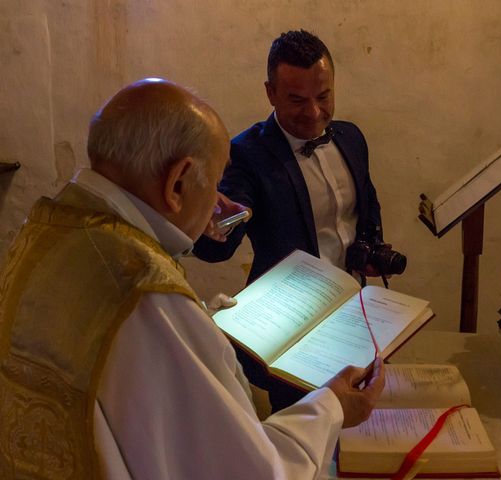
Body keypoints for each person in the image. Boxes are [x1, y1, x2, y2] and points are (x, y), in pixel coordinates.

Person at [0, 78, 384, 479]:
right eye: (216, 182)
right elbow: (249, 470)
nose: (219, 198)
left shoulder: (48, 228)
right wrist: (333, 407)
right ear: (177, 182)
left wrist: (197, 316)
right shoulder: (147, 295)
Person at [193, 29, 386, 412]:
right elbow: (220, 244)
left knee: (365, 430)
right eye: (297, 100)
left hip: (355, 314)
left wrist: (370, 250)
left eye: (324, 96)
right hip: (292, 333)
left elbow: (367, 206)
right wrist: (212, 221)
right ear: (270, 93)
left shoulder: (351, 138)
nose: (314, 112)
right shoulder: (247, 153)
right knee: (301, 439)